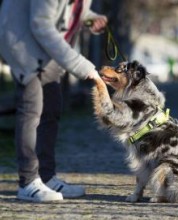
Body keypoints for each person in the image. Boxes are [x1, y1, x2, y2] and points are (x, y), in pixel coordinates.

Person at [0, 0, 107, 202]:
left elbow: (66, 9)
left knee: (52, 107)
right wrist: (82, 66)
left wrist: (89, 18)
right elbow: (41, 24)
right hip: (21, 41)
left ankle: (46, 178)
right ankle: (28, 182)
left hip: (44, 47)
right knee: (32, 109)